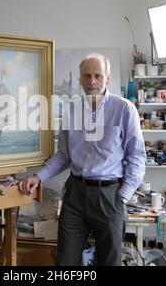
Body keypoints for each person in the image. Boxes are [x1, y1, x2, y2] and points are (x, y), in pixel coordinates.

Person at [18, 53, 146, 266]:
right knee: (65, 262)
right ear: (80, 78)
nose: (92, 81)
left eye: (98, 75)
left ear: (108, 78)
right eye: (87, 76)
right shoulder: (71, 110)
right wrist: (38, 177)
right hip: (75, 196)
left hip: (110, 196)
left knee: (109, 262)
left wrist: (122, 196)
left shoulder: (124, 109)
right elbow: (64, 156)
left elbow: (137, 157)